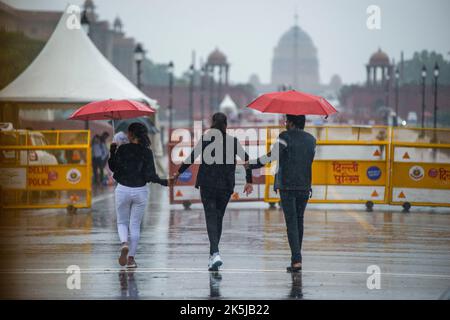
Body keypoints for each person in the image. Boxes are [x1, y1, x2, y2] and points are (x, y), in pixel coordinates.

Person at [173, 112, 253, 271]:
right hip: (225, 185)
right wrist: (249, 181)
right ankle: (213, 255)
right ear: (226, 125)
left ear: (212, 124)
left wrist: (179, 172)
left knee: (211, 217)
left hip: (208, 183)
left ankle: (215, 253)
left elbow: (192, 157)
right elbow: (246, 160)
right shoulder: (233, 141)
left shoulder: (206, 139)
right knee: (218, 218)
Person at [247, 114, 316, 272]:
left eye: (286, 121)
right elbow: (309, 159)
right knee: (299, 221)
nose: (285, 124)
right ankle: (297, 258)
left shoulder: (285, 137)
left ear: (291, 123)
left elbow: (272, 156)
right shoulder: (312, 140)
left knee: (291, 222)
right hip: (305, 186)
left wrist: (251, 164)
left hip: (287, 186)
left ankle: (296, 260)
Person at [108, 122, 170, 268]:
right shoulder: (147, 152)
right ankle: (131, 259)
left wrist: (112, 151)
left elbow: (113, 167)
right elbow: (150, 175)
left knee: (122, 222)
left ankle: (124, 243)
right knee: (134, 225)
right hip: (140, 191)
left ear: (131, 134)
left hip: (123, 189)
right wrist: (164, 182)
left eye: (128, 133)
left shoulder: (122, 149)